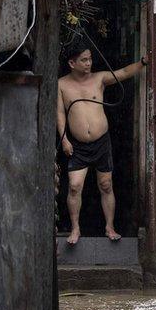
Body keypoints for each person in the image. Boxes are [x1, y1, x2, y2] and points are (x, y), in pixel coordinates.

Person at [57, 41, 146, 244]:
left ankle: (109, 226)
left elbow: (123, 72)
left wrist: (143, 62)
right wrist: (64, 140)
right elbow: (60, 114)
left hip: (101, 142)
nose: (89, 63)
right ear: (72, 63)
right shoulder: (62, 84)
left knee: (105, 184)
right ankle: (75, 228)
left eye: (90, 59)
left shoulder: (99, 78)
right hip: (77, 145)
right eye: (84, 60)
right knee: (74, 186)